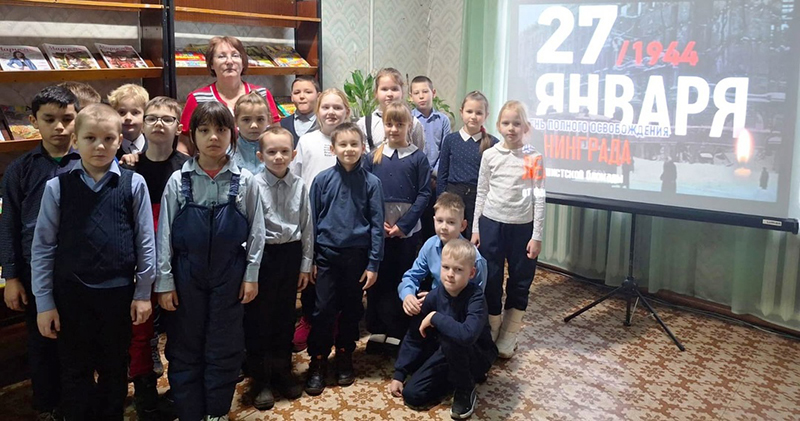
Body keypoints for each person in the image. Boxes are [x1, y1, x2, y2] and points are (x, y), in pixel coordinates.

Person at [31, 103, 157, 420]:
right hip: (72, 295)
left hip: (118, 295)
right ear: (75, 140)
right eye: (90, 138)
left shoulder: (133, 184)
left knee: (115, 369)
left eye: (108, 139)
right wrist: (44, 303)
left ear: (119, 141)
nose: (100, 146)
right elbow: (43, 247)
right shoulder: (57, 187)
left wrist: (143, 293)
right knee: (75, 370)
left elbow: (146, 242)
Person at [155, 101, 264, 421]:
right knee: (184, 345)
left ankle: (216, 411)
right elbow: (164, 236)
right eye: (204, 130)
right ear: (192, 135)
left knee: (224, 345)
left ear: (232, 134)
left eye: (220, 130)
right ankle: (189, 411)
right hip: (186, 274)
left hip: (230, 274)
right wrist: (165, 281)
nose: (213, 137)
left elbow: (257, 232)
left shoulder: (246, 181)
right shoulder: (178, 181)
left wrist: (251, 275)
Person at [0, 85, 82, 420]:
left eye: (67, 119)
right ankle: (47, 405)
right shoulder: (20, 169)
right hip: (36, 272)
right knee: (42, 341)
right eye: (49, 119)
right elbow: (9, 224)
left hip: (80, 271)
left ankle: (76, 404)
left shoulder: (90, 162)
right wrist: (11, 276)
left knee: (78, 343)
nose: (59, 127)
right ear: (34, 121)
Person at [123, 96, 190, 420]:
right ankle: (145, 392)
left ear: (180, 126)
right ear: (143, 124)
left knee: (181, 330)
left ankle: (180, 389)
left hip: (180, 263)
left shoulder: (188, 168)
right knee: (140, 332)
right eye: (152, 118)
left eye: (167, 118)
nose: (159, 123)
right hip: (141, 265)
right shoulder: (128, 168)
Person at [305, 122, 384, 396]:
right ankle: (318, 360)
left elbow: (377, 226)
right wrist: (310, 259)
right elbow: (311, 223)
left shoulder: (372, 183)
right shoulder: (322, 181)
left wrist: (373, 264)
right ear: (333, 148)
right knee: (323, 309)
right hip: (326, 256)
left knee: (352, 309)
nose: (349, 149)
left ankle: (344, 354)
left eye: (354, 144)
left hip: (357, 258)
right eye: (343, 144)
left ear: (363, 147)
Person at [389, 239, 497, 420]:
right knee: (412, 394)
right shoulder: (434, 296)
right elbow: (414, 336)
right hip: (446, 353)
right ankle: (456, 377)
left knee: (451, 337)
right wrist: (399, 374)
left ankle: (465, 388)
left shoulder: (476, 298)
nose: (450, 274)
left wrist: (435, 317)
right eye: (446, 267)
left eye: (458, 270)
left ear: (471, 273)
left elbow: (467, 335)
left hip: (477, 354)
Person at [244, 126, 313, 409]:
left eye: (284, 151)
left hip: (290, 254)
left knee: (285, 316)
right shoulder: (252, 185)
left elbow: (307, 226)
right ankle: (260, 378)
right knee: (259, 318)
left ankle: (282, 370)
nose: (278, 157)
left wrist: (305, 264)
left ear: (293, 154)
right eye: (271, 152)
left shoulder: (300, 185)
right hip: (263, 256)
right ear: (260, 155)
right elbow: (249, 227)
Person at [471, 101, 545, 359]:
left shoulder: (534, 158)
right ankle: (493, 327)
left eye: (516, 123)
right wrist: (476, 228)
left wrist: (537, 236)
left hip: (522, 228)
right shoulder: (490, 155)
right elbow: (482, 192)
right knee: (491, 278)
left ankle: (509, 333)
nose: (511, 128)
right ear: (498, 125)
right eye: (506, 123)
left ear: (526, 127)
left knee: (520, 281)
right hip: (491, 224)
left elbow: (539, 198)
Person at [362, 102, 431, 356]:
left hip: (406, 231)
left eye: (399, 124)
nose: (393, 129)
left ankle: (396, 330)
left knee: (401, 278)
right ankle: (377, 328)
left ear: (409, 126)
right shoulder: (373, 156)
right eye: (389, 124)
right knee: (378, 277)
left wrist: (403, 225)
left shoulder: (418, 158)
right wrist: (376, 220)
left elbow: (424, 194)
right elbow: (365, 191)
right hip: (379, 227)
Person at [290, 88, 352, 352]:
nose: (331, 112)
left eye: (337, 107)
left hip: (343, 219)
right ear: (318, 111)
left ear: (347, 112)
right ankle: (308, 317)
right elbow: (295, 176)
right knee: (311, 267)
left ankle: (336, 319)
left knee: (338, 275)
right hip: (312, 214)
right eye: (326, 107)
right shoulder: (307, 141)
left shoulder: (353, 141)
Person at [178, 36, 281, 155]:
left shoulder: (263, 94)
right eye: (221, 56)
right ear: (211, 64)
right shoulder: (197, 98)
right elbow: (184, 145)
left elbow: (277, 135)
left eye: (235, 55)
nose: (229, 61)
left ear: (243, 62)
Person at [398, 192, 487, 316]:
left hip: (459, 311)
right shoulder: (430, 245)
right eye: (440, 220)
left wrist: (438, 299)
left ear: (462, 225)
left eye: (451, 222)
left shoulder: (474, 258)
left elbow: (476, 298)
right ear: (434, 220)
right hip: (433, 302)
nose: (444, 227)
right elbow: (412, 276)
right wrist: (408, 295)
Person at [437, 91, 499, 239]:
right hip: (453, 196)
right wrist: (440, 201)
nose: (473, 116)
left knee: (474, 239)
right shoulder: (451, 140)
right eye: (469, 111)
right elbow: (442, 174)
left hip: (478, 199)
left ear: (486, 115)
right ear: (461, 112)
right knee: (451, 238)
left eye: (479, 113)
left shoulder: (492, 143)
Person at [410, 75, 451, 244]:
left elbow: (445, 151)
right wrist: (423, 175)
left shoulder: (443, 120)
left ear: (433, 93)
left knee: (432, 223)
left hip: (435, 181)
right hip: (414, 180)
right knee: (415, 225)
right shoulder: (409, 119)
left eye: (425, 91)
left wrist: (434, 174)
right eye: (416, 93)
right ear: (411, 97)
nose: (421, 96)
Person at [357, 67, 425, 152]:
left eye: (394, 89)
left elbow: (419, 152)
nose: (389, 94)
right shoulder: (363, 124)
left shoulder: (413, 123)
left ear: (402, 93)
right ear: (376, 93)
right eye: (384, 89)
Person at [232, 91, 272, 174]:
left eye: (260, 119)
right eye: (246, 120)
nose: (254, 125)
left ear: (268, 120)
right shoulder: (228, 152)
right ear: (235, 121)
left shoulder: (277, 150)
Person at [108, 83, 149, 159]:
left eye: (135, 113)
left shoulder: (154, 148)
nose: (128, 118)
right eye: (122, 112)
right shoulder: (109, 150)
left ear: (145, 115)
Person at [281, 75, 320, 146]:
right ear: (292, 97)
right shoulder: (282, 124)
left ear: (318, 96)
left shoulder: (324, 124)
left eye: (308, 92)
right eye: (297, 92)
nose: (302, 96)